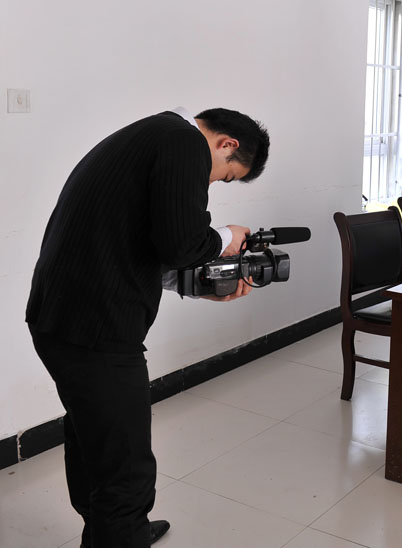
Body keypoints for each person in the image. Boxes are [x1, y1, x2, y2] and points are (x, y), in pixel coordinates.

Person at [25, 107, 270, 547]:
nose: (214, 183)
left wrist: (202, 289)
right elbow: (183, 243)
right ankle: (122, 531)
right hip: (98, 331)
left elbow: (144, 244)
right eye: (226, 176)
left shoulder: (153, 136)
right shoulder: (183, 142)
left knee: (92, 440)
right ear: (227, 144)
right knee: (126, 470)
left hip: (60, 319)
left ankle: (114, 531)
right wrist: (227, 236)